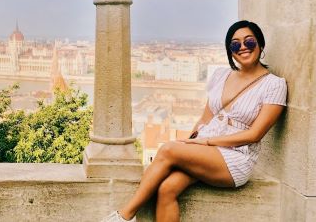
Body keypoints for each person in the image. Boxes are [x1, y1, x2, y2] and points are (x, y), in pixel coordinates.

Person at [101, 20, 287, 222]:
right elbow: (204, 120)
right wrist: (190, 142)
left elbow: (254, 135)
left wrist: (205, 143)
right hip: (206, 150)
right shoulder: (221, 75)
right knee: (167, 188)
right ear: (230, 51)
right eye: (235, 44)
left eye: (249, 42)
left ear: (260, 44)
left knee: (167, 149)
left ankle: (124, 215)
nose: (242, 47)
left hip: (236, 157)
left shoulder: (274, 85)